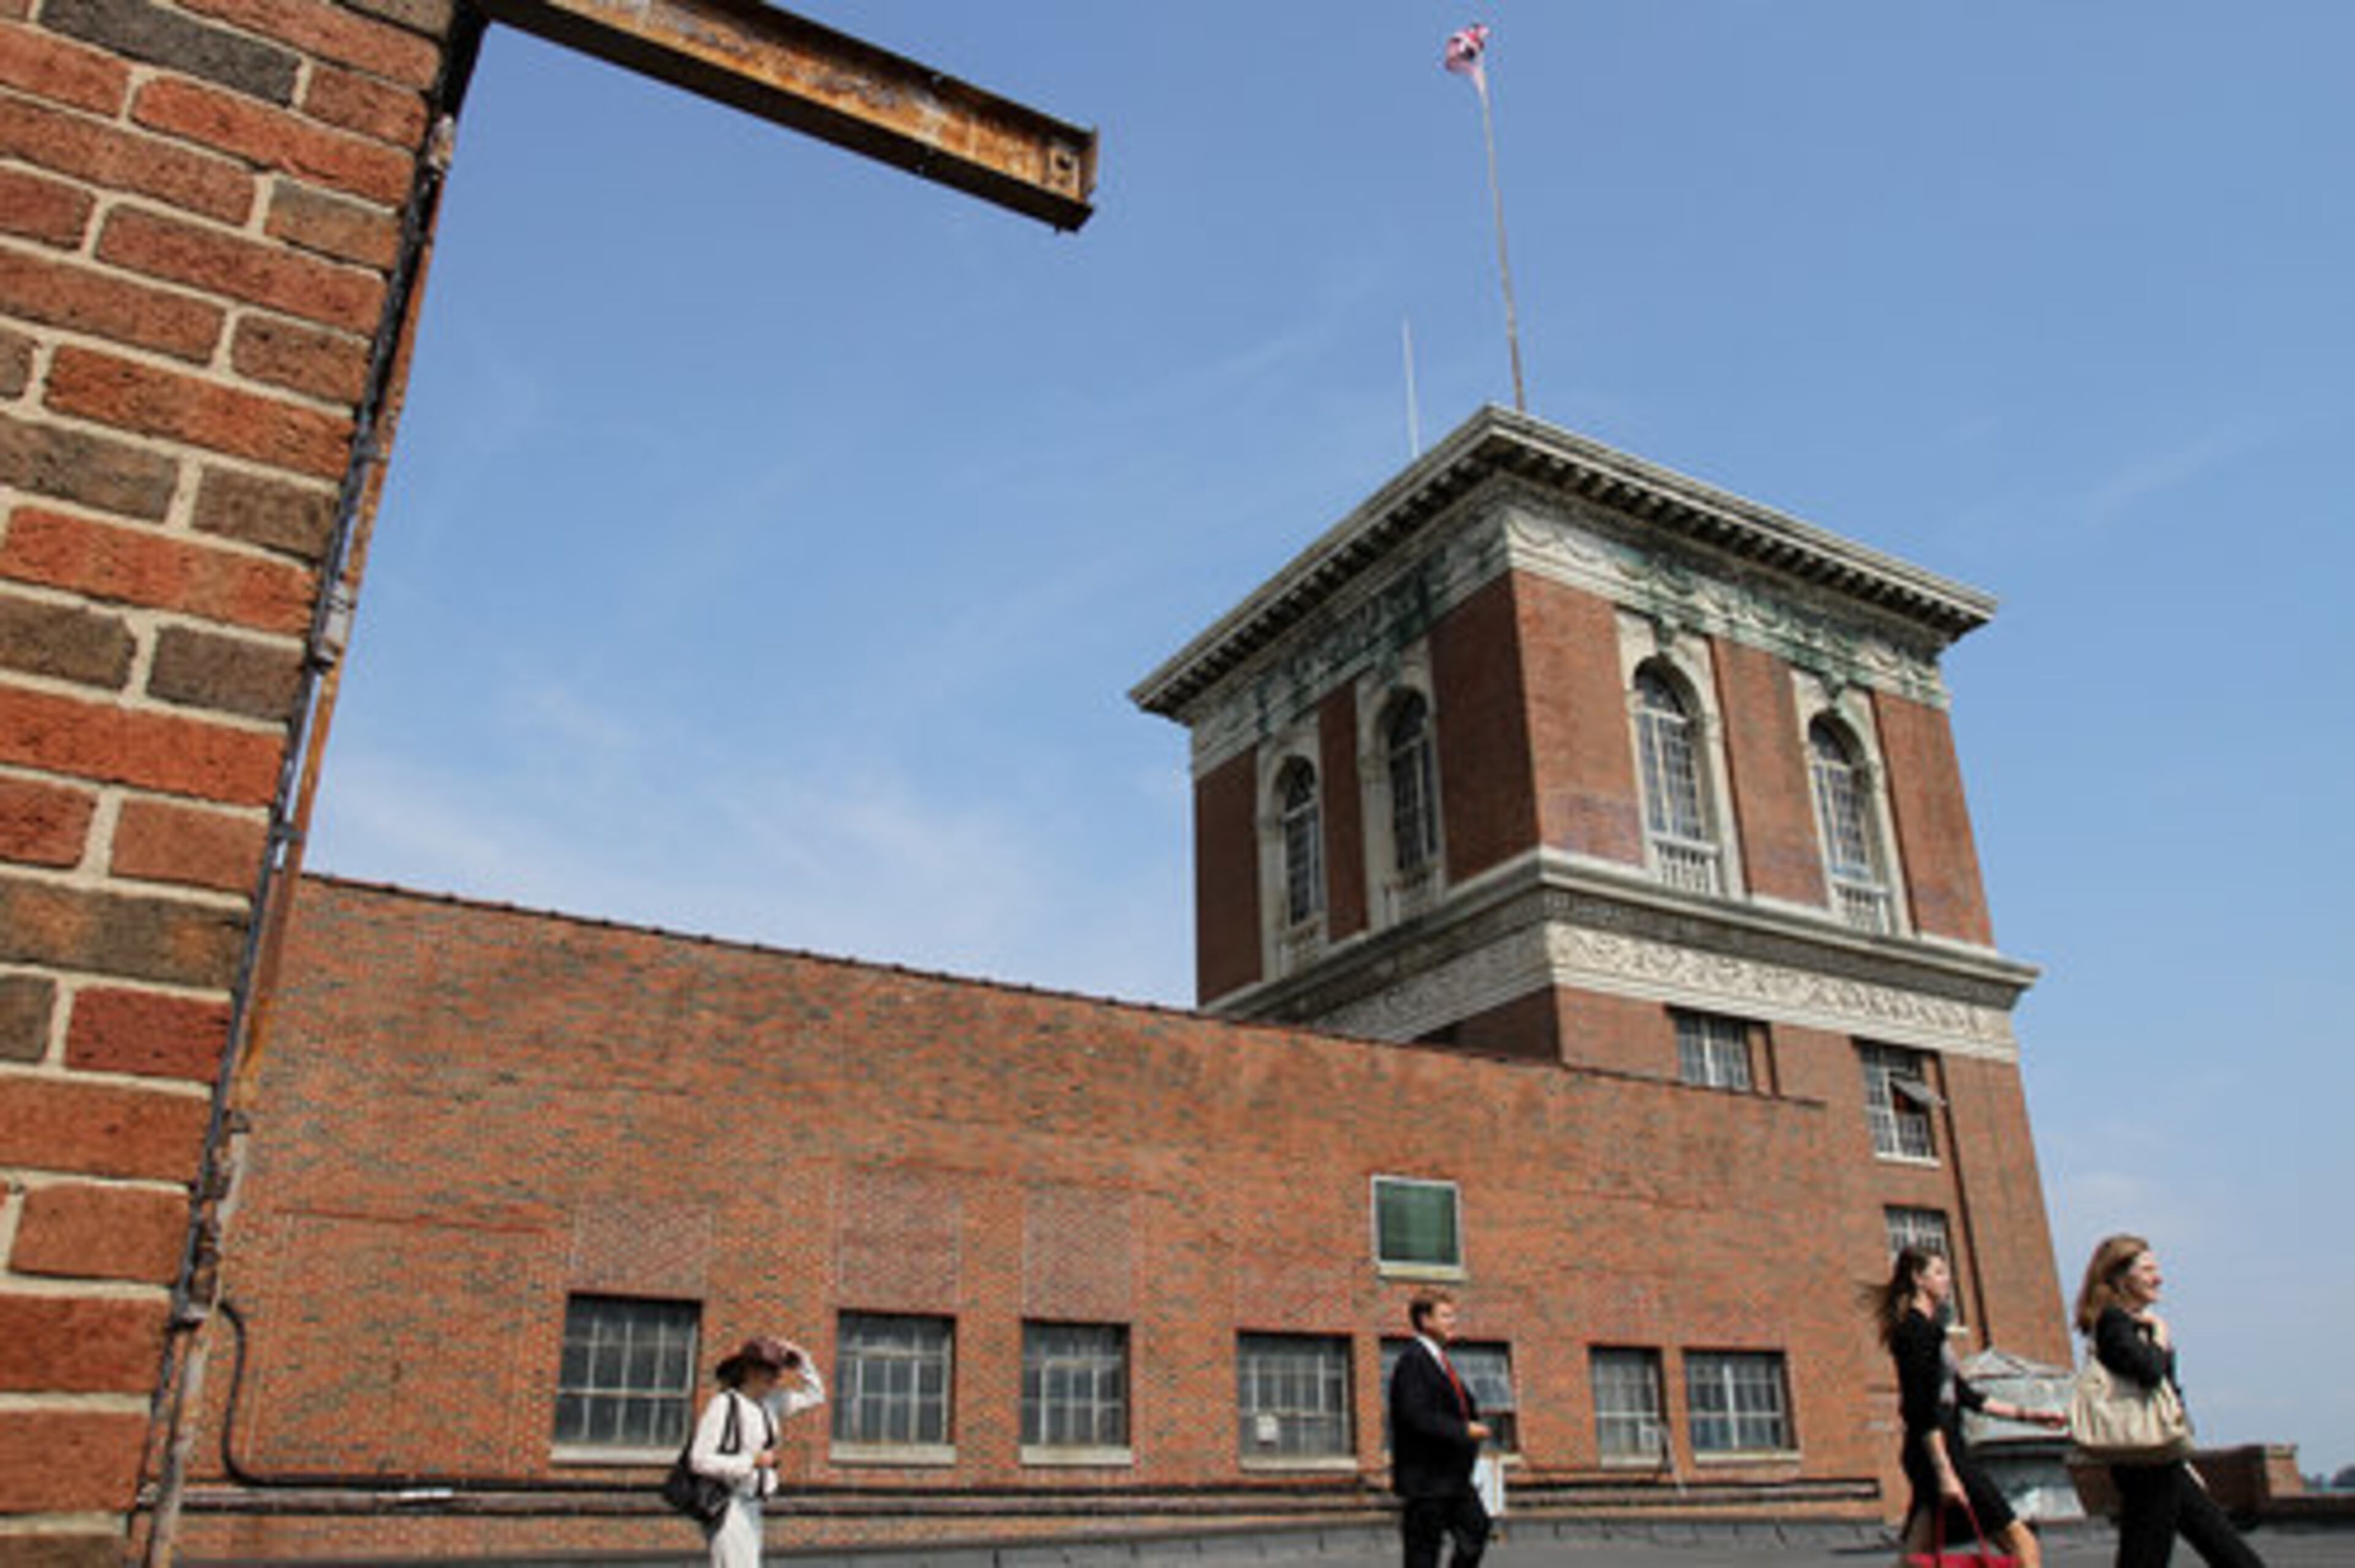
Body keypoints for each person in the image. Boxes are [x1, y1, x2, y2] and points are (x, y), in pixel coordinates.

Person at [2074, 1236, 2265, 1568]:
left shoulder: (2130, 1323)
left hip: (2160, 1458)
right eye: (2147, 1270)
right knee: (2215, 1554)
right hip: (2146, 1462)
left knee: (2223, 1552)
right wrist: (2161, 1337)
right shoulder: (2114, 1322)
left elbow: (2162, 1395)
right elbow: (2149, 1373)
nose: (2158, 1278)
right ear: (2120, 1277)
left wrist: (2182, 1456)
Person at [1872, 1246, 2064, 1566]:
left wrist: (2029, 1415)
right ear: (1918, 1279)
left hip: (1937, 1449)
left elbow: (1964, 1395)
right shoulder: (1916, 1332)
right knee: (2023, 1545)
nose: (1947, 1280)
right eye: (1939, 1272)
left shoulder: (1930, 1330)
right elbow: (1921, 1409)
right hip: (1940, 1451)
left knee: (1914, 1558)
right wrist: (1945, 1471)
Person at [689, 1334, 825, 1568]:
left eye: (777, 1371)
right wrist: (751, 1461)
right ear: (750, 1371)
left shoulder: (770, 1404)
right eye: (768, 1371)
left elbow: (816, 1396)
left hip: (754, 1504)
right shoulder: (725, 1404)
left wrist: (802, 1360)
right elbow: (699, 1460)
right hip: (728, 1504)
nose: (775, 1378)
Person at [1388, 1291, 1492, 1568]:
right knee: (1423, 1555)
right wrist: (1463, 1430)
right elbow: (1416, 1416)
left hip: (1454, 1479)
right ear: (1425, 1320)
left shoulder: (1440, 1361)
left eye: (1453, 1316)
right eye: (1446, 1316)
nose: (1453, 1322)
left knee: (1476, 1530)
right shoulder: (1413, 1361)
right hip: (1427, 1481)